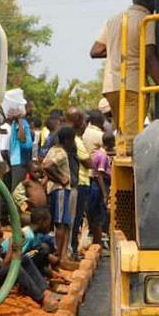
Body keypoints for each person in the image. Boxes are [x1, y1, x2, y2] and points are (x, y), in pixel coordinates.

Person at [90, 0, 159, 151]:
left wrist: (119, 50)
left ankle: (121, 167)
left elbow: (96, 51)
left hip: (111, 86)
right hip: (133, 86)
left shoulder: (114, 19)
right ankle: (129, 175)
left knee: (122, 131)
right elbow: (150, 57)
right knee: (131, 139)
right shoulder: (146, 20)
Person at [0, 216, 60, 312]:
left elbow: (9, 259)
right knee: (15, 269)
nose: (3, 229)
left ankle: (45, 291)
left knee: (24, 259)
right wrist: (11, 244)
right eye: (0, 227)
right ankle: (41, 298)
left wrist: (18, 242)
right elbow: (3, 266)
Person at [41, 126, 76, 265]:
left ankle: (62, 256)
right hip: (61, 190)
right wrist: (60, 178)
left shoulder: (52, 150)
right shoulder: (61, 153)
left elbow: (44, 165)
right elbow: (48, 166)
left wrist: (52, 178)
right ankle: (58, 256)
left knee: (64, 223)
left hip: (56, 189)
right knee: (61, 223)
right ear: (67, 140)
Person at [66, 107, 92, 261]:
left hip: (80, 183)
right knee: (74, 220)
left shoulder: (77, 140)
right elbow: (88, 162)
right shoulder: (76, 141)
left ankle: (73, 249)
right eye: (83, 121)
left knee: (76, 220)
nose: (85, 125)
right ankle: (72, 251)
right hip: (80, 183)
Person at [91, 132, 113, 245]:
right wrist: (104, 193)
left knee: (96, 216)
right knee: (99, 216)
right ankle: (98, 243)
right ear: (111, 143)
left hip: (96, 186)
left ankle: (97, 242)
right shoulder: (103, 156)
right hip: (99, 187)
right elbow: (99, 175)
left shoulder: (97, 153)